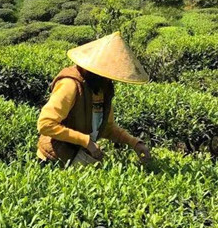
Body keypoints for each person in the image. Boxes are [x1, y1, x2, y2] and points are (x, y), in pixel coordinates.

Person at [37, 31, 152, 166]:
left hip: (78, 156)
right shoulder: (71, 85)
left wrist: (134, 143)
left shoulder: (102, 88)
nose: (109, 79)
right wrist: (86, 141)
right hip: (54, 158)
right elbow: (45, 124)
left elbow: (107, 128)